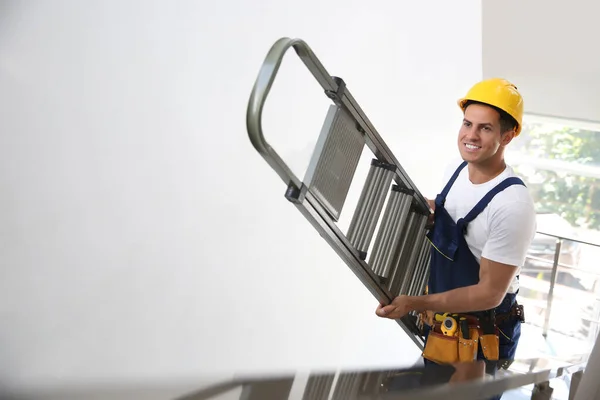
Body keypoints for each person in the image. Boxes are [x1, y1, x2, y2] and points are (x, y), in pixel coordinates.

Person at [375, 78, 537, 397]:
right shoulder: (457, 168)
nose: (471, 136)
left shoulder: (513, 205)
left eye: (485, 128)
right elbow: (453, 220)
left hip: (479, 334)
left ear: (508, 134)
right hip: (445, 324)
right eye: (467, 123)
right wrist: (427, 208)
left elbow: (489, 294)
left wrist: (416, 303)